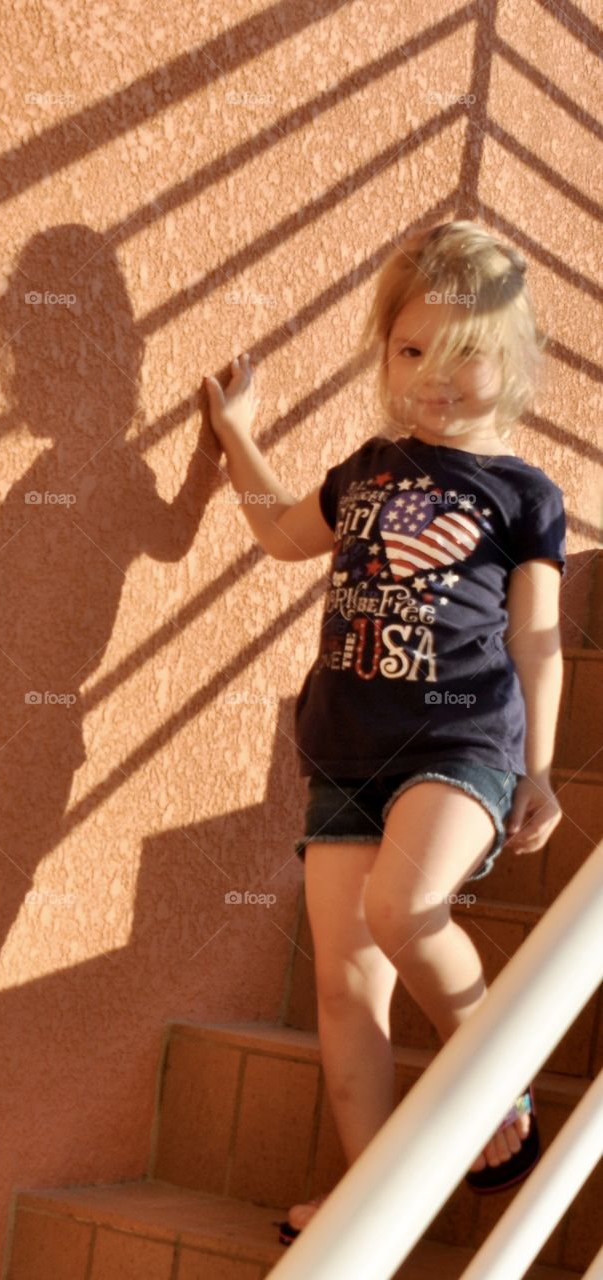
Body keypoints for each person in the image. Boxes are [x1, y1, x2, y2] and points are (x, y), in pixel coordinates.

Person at [204, 221, 566, 1245]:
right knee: (343, 978)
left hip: (464, 747)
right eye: (410, 352)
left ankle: (502, 1085)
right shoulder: (368, 466)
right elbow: (281, 533)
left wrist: (539, 768)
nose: (432, 378)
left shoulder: (526, 495)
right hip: (347, 750)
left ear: (515, 362)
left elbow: (538, 638)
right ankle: (368, 1201)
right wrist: (238, 433)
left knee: (404, 908)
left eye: (464, 356)